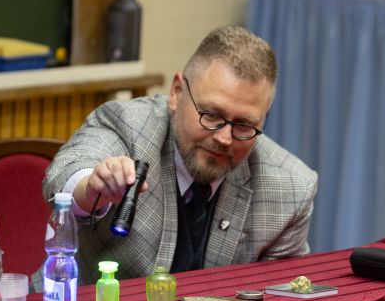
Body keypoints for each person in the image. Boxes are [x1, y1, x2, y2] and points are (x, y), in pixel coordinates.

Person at [43, 26, 318, 285]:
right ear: (176, 93)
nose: (225, 138)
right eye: (211, 115)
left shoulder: (290, 189)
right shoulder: (128, 124)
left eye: (244, 125)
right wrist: (91, 189)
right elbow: (64, 176)